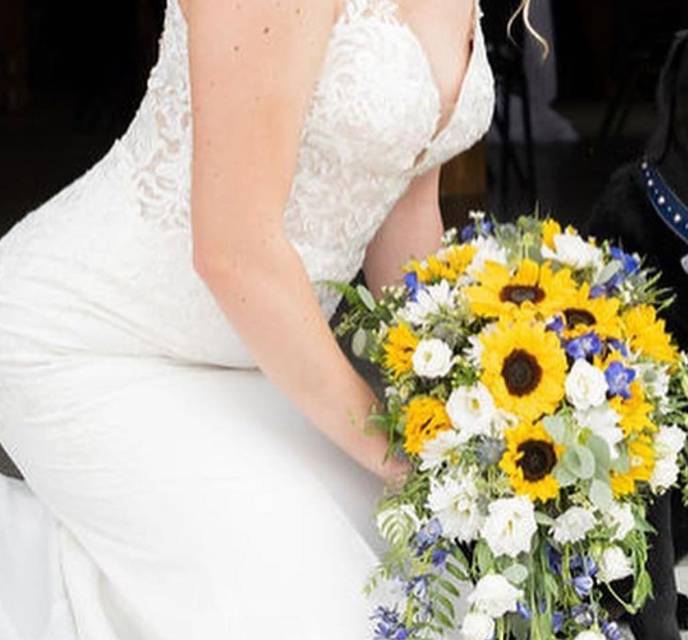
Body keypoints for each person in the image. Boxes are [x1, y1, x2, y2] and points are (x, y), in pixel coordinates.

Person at [0, 0, 504, 637]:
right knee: (326, 612)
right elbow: (234, 253)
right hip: (86, 344)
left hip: (252, 356)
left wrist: (458, 416)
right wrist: (395, 453)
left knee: (440, 585)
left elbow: (402, 217)